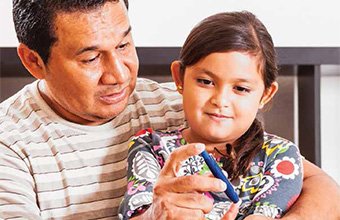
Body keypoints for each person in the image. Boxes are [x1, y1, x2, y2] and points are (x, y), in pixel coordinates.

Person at [0, 0, 339, 219]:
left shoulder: (190, 107)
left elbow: (320, 186)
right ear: (34, 60)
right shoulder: (9, 143)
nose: (119, 74)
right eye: (90, 58)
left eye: (124, 45)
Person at [119, 11, 303, 220]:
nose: (220, 100)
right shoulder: (150, 146)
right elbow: (137, 213)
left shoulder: (280, 155)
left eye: (241, 88)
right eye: (206, 82)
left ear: (265, 94)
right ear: (179, 77)